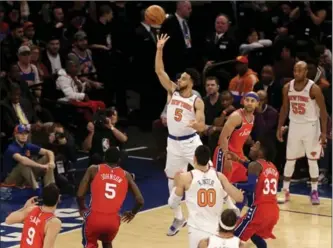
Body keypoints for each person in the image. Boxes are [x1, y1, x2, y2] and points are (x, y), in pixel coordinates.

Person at [155, 33, 207, 236]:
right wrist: (159, 49)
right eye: (180, 77)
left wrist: (197, 125)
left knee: (208, 174)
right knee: (171, 179)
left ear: (192, 82)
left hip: (191, 143)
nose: (180, 79)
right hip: (173, 144)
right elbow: (159, 71)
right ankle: (178, 217)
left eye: (184, 77)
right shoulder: (172, 91)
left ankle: (224, 207)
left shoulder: (196, 101)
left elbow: (203, 125)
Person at [168, 145, 244, 248]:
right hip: (216, 230)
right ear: (209, 159)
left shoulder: (186, 178)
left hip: (196, 229)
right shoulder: (219, 176)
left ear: (194, 158)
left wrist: (175, 184)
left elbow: (172, 204)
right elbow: (239, 198)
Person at [277, 61, 328, 205]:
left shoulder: (314, 89)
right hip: (295, 125)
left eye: (300, 71)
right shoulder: (288, 87)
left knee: (312, 161)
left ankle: (314, 191)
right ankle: (285, 190)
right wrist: (280, 126)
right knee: (290, 160)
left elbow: (323, 113)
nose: (296, 73)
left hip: (311, 126)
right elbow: (284, 108)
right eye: (294, 70)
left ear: (306, 72)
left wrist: (324, 133)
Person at [76, 147, 144, 248]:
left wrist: (82, 208)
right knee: (107, 242)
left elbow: (80, 194)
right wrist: (132, 213)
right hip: (113, 221)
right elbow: (140, 201)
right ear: (119, 160)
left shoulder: (94, 169)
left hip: (94, 218)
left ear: (104, 158)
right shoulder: (126, 175)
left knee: (89, 243)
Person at [228, 139, 279, 248]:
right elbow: (253, 168)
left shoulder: (255, 165)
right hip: (273, 211)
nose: (251, 147)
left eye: (255, 146)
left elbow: (251, 186)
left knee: (233, 236)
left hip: (260, 210)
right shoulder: (272, 166)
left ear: (261, 152)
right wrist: (239, 160)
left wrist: (231, 185)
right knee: (255, 236)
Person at [213, 92, 258, 183]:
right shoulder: (236, 116)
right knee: (222, 184)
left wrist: (241, 155)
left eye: (252, 101)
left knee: (244, 180)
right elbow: (223, 137)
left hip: (237, 154)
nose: (249, 103)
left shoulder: (252, 118)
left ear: (257, 104)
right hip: (225, 152)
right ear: (242, 101)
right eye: (247, 100)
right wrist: (227, 158)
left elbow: (240, 140)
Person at [5, 183, 62, 248]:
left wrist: (25, 208)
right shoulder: (53, 222)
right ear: (58, 198)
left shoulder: (31, 209)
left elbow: (8, 220)